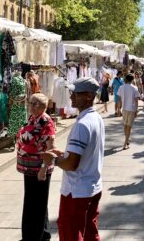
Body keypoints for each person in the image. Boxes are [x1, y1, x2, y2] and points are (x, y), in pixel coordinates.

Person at [42, 77, 105, 241]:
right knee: (90, 232)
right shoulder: (96, 118)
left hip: (76, 191)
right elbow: (82, 155)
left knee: (71, 233)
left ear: (89, 96)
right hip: (92, 186)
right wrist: (64, 154)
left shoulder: (82, 124)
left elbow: (72, 165)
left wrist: (53, 160)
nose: (71, 97)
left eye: (75, 94)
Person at [16, 93, 55, 241]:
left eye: (32, 103)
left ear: (41, 106)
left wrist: (44, 169)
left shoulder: (46, 122)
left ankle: (32, 237)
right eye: (30, 102)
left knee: (35, 205)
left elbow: (51, 149)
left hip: (39, 169)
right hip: (29, 169)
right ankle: (43, 233)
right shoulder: (33, 118)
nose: (29, 105)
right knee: (37, 202)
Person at [117, 74, 140, 150]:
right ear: (132, 79)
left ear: (126, 79)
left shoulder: (121, 87)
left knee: (125, 125)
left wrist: (118, 109)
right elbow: (136, 100)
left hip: (124, 109)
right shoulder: (134, 88)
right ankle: (125, 143)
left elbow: (119, 99)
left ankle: (127, 140)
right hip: (132, 109)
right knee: (129, 127)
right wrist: (136, 110)